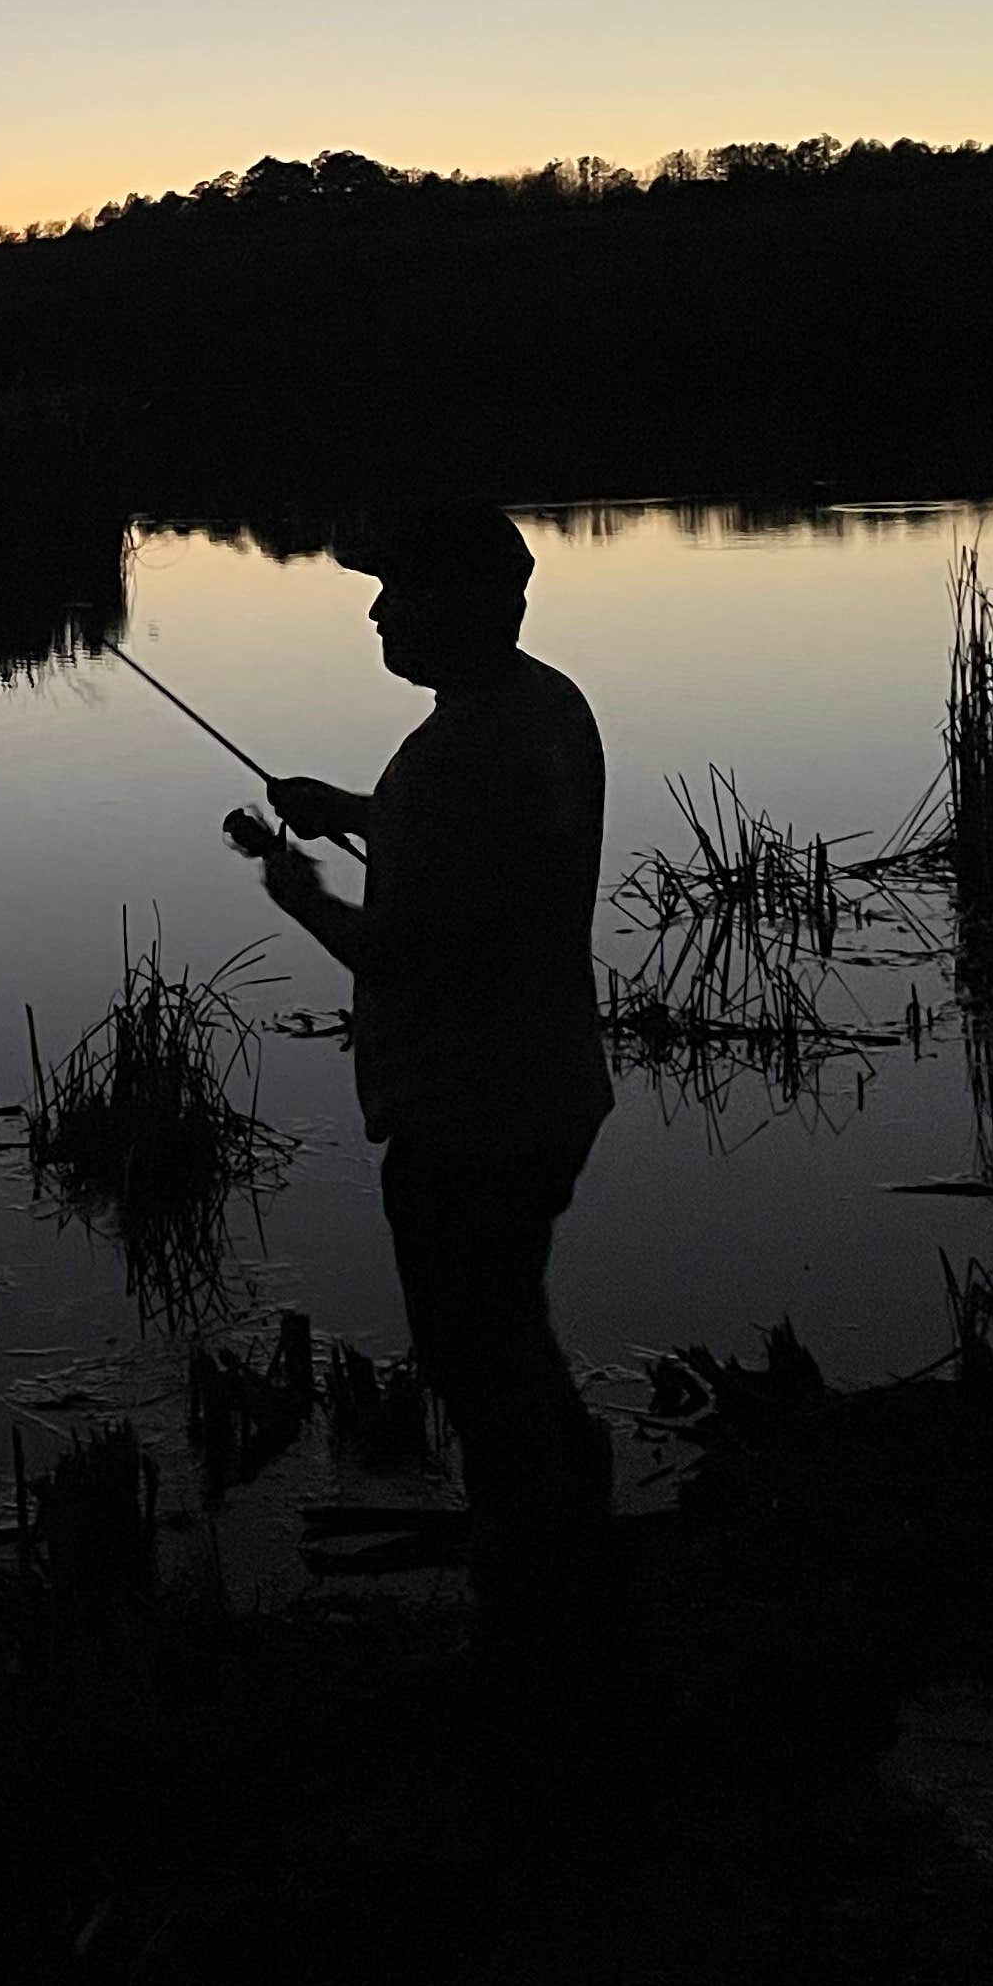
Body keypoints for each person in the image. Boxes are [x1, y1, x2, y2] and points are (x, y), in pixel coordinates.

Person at [227, 500, 617, 1677]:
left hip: (469, 1115)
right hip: (549, 1087)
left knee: (478, 1363)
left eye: (397, 590)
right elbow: (472, 849)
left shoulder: (457, 754)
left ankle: (531, 1619)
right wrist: (350, 809)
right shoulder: (544, 707)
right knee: (513, 1335)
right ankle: (572, 1551)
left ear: (465, 603)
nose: (379, 611)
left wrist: (302, 898)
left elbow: (402, 954)